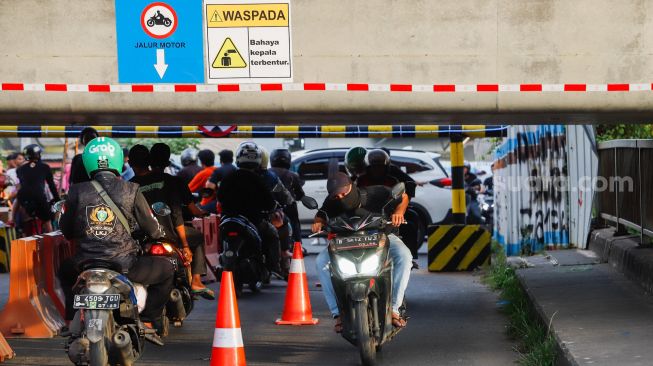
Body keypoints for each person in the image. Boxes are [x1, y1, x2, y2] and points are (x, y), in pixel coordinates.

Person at [58, 137, 173, 341]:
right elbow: (153, 229)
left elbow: (66, 230)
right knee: (166, 270)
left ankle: (69, 319)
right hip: (125, 264)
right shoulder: (132, 189)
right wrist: (154, 233)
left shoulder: (77, 190)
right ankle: (148, 319)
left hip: (85, 264)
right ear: (118, 160)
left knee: (64, 271)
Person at [313, 172, 412, 332]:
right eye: (337, 196)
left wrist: (399, 212)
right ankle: (337, 314)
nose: (341, 198)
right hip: (345, 241)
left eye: (344, 194)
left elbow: (404, 197)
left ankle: (394, 308)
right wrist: (318, 223)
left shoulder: (376, 192)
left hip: (382, 236)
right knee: (321, 262)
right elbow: (320, 216)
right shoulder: (331, 201)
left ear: (351, 186)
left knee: (404, 257)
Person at [130, 143, 214, 299]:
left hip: (143, 239)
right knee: (198, 237)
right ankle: (196, 280)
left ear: (129, 163)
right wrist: (186, 245)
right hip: (171, 235)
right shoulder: (172, 181)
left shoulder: (129, 186)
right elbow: (177, 214)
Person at [217, 142, 282, 275]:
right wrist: (273, 207)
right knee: (272, 233)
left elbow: (220, 197)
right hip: (252, 221)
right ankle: (274, 266)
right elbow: (269, 202)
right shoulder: (257, 180)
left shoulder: (228, 177)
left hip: (228, 219)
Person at [357, 149, 421, 268]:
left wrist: (400, 210)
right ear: (368, 167)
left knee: (411, 219)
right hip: (366, 214)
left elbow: (406, 190)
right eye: (374, 167)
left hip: (389, 212)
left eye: (381, 167)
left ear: (387, 167)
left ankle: (409, 258)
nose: (378, 170)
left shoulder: (393, 177)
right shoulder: (360, 179)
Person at [14, 144, 60, 234]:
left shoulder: (20, 170)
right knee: (47, 221)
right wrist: (57, 199)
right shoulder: (45, 167)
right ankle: (51, 243)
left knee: (27, 222)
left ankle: (13, 221)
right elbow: (52, 186)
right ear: (38, 154)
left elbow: (24, 185)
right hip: (39, 197)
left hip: (23, 199)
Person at [270, 148, 305, 244]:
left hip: (270, 207)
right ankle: (298, 245)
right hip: (288, 207)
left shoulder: (267, 173)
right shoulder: (293, 175)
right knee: (294, 221)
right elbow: (300, 194)